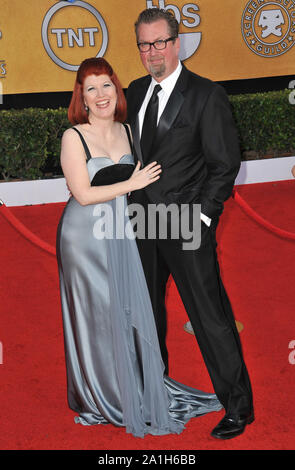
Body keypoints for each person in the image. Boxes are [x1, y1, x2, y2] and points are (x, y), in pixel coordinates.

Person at [56, 57, 222, 439]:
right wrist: (132, 184)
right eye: (91, 88)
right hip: (85, 239)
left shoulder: (131, 131)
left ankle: (136, 386)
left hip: (127, 230)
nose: (100, 95)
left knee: (129, 309)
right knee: (98, 316)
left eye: (107, 85)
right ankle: (103, 395)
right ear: (81, 96)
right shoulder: (74, 136)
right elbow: (82, 194)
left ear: (118, 90)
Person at [127, 8, 254, 439]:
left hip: (185, 223)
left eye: (160, 42)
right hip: (142, 222)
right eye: (145, 44)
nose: (152, 51)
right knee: (147, 316)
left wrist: (201, 216)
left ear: (176, 43)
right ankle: (152, 393)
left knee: (209, 316)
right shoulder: (135, 90)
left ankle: (238, 406)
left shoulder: (205, 94)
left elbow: (225, 164)